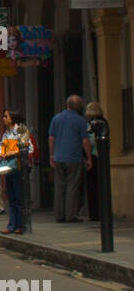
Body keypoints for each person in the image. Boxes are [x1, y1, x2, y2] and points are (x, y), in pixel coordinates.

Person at [48, 94, 92, 223]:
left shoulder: (57, 118)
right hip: (73, 157)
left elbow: (51, 138)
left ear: (67, 105)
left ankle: (59, 214)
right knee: (72, 186)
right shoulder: (80, 121)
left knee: (59, 185)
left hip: (59, 156)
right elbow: (85, 140)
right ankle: (70, 215)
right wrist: (89, 157)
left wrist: (51, 154)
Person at [0, 109, 33, 234]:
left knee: (19, 198)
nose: (4, 118)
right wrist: (1, 154)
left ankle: (20, 225)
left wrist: (14, 152)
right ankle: (11, 225)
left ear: (12, 118)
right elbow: (1, 147)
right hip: (8, 168)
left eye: (6, 116)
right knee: (11, 198)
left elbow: (29, 148)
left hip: (19, 168)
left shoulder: (21, 131)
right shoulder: (6, 133)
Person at [84, 101, 107, 221]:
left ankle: (94, 213)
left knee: (92, 187)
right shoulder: (103, 122)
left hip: (93, 156)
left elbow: (89, 141)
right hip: (102, 157)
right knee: (101, 185)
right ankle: (103, 210)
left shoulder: (92, 124)